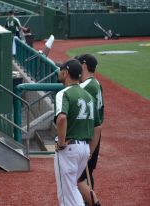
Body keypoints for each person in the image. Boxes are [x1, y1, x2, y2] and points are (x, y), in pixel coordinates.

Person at [54, 59, 100, 206]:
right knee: (72, 188)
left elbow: (61, 118)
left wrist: (61, 143)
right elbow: (97, 127)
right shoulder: (88, 96)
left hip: (69, 149)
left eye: (61, 70)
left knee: (66, 194)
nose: (59, 72)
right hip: (84, 148)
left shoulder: (64, 93)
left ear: (66, 73)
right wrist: (90, 152)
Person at [77, 54, 104, 206]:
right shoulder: (97, 84)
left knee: (77, 178)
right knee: (86, 175)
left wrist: (90, 150)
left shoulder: (86, 86)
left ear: (84, 66)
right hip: (94, 136)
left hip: (88, 138)